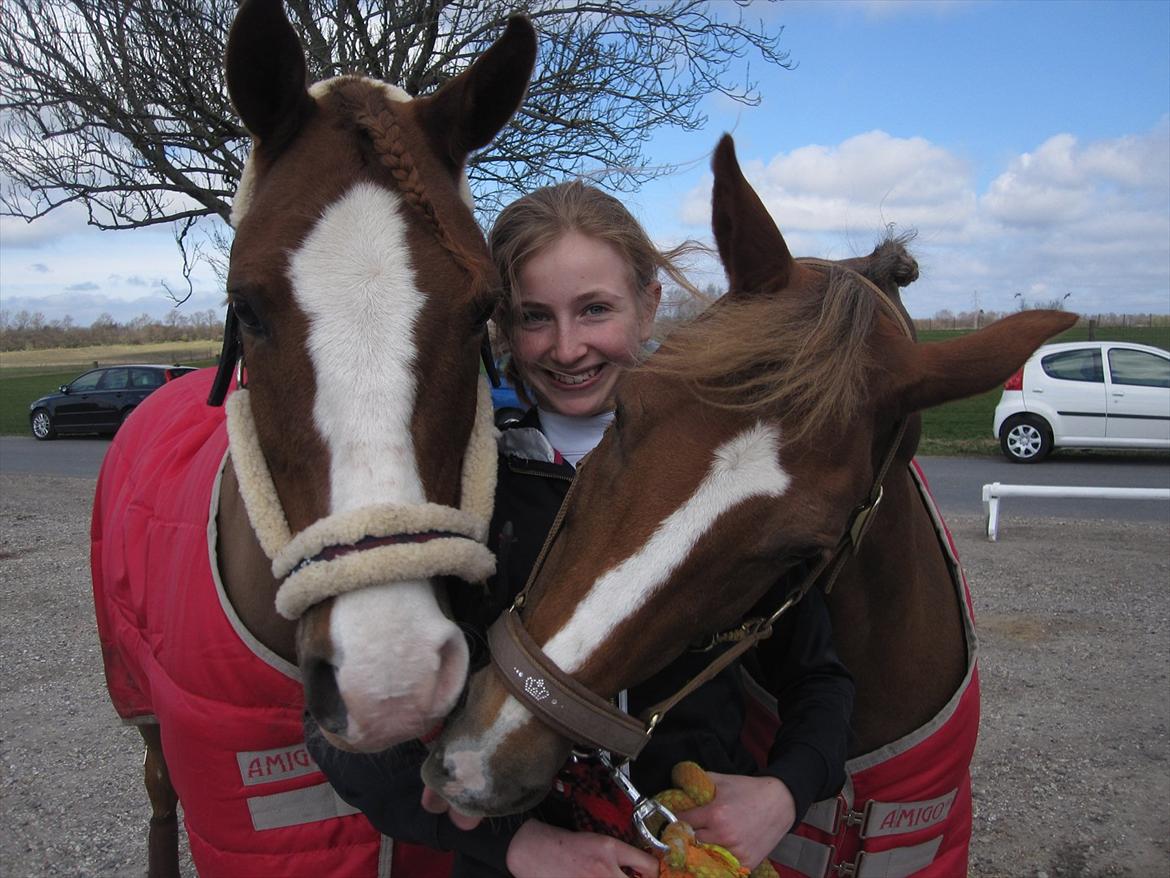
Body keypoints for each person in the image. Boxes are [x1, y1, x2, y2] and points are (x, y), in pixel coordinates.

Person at [309, 181, 855, 878]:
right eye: (535, 317)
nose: (568, 349)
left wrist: (784, 793)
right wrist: (518, 846)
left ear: (649, 304)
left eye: (595, 309)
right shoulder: (449, 487)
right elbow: (341, 726)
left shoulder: (722, 481)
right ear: (503, 326)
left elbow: (817, 675)